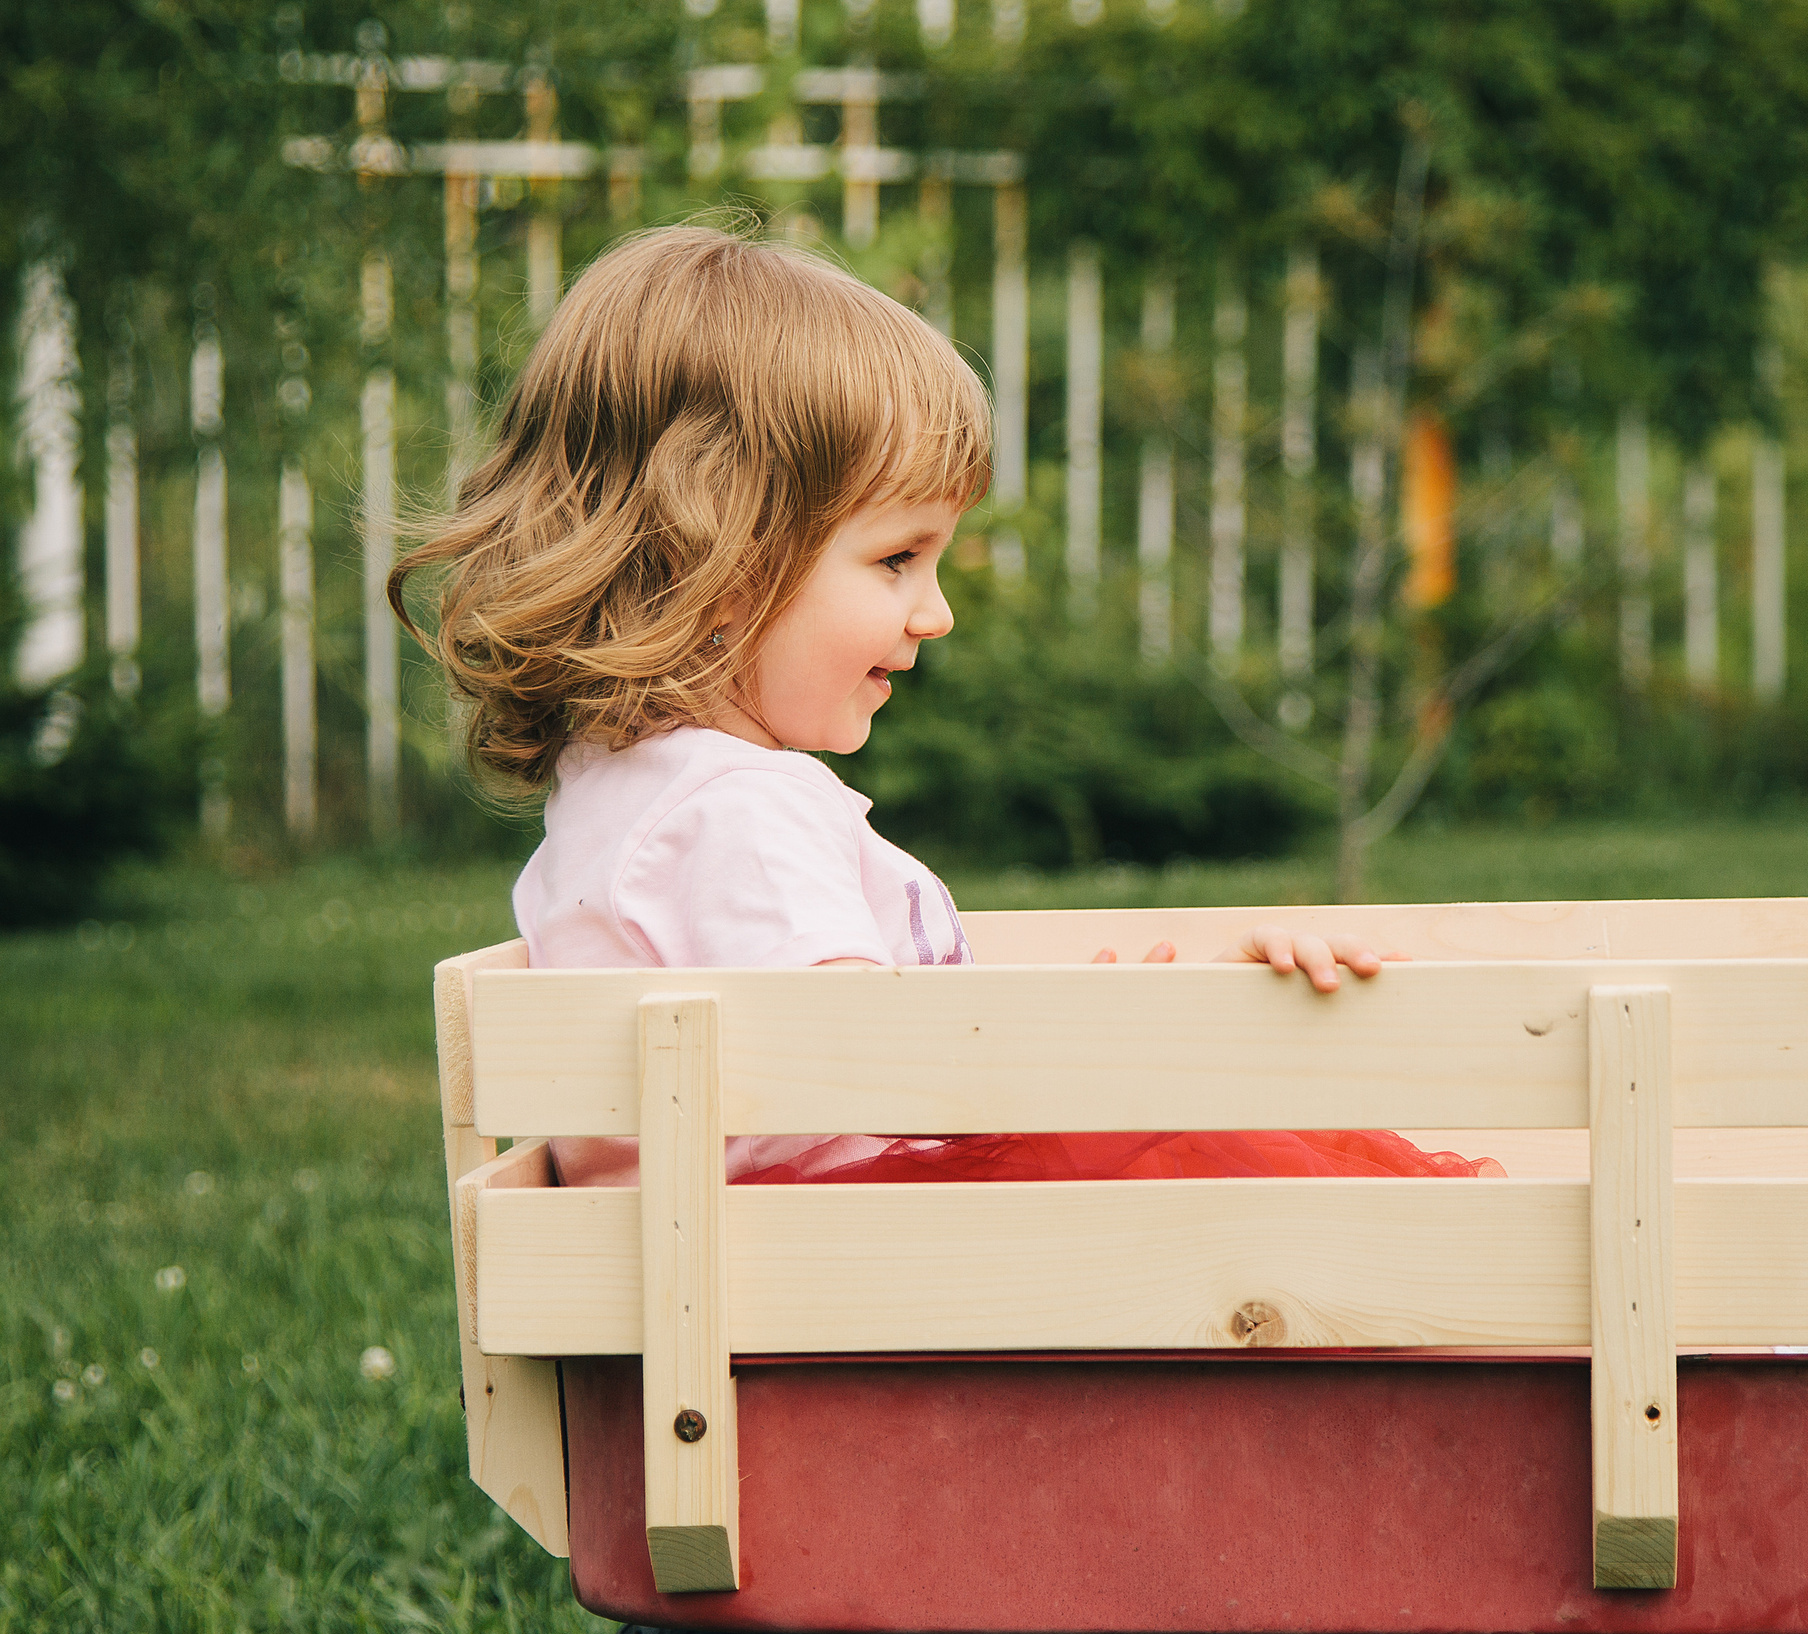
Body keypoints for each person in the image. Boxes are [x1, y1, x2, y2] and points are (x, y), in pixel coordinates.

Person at [393, 222, 1497, 1190]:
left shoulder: (629, 797)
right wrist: (1163, 1043)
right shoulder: (732, 815)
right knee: (1230, 1159)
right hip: (844, 1298)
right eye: (896, 560)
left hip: (795, 1273)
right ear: (723, 571)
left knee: (1218, 1133)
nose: (935, 614)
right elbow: (886, 1066)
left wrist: (1167, 1025)